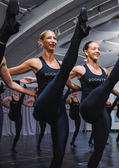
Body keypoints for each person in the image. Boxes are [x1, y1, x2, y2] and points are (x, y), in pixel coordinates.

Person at [9, 8, 91, 167]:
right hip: (43, 105)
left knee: (60, 152)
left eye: (55, 38)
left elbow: (68, 84)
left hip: (58, 108)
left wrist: (82, 88)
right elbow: (7, 73)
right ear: (41, 42)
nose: (53, 40)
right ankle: (78, 34)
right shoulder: (35, 62)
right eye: (49, 38)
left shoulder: (62, 64)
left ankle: (78, 33)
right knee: (62, 73)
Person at [70, 31, 119, 167]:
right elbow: (64, 78)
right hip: (87, 106)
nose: (97, 51)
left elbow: (109, 87)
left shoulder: (104, 71)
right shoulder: (80, 69)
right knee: (108, 82)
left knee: (100, 148)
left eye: (98, 49)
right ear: (86, 52)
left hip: (100, 110)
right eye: (94, 49)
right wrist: (78, 88)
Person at [0, 0, 37, 142]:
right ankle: (6, 30)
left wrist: (31, 92)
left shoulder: (2, 60)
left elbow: (10, 83)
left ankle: (6, 30)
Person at [3, 85, 26, 153]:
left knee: (18, 133)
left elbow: (26, 104)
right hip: (12, 115)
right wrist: (5, 110)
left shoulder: (20, 99)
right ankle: (24, 93)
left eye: (18, 91)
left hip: (18, 115)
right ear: (12, 91)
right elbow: (2, 102)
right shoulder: (9, 97)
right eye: (15, 90)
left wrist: (33, 105)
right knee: (17, 105)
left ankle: (13, 147)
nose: (16, 92)